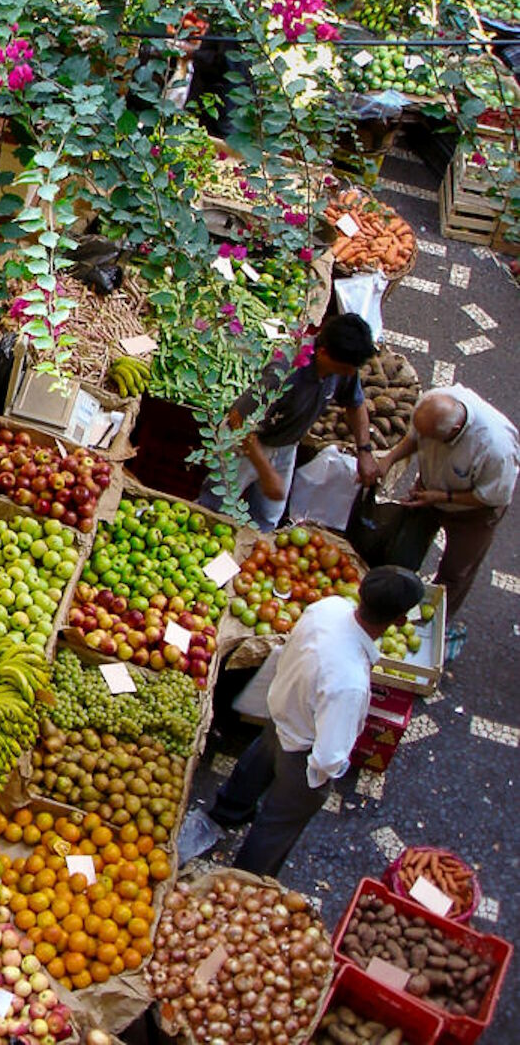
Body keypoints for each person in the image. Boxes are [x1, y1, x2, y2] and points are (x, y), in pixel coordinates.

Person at [207, 566, 423, 878]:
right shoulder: (349, 681)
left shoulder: (328, 607)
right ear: (399, 620)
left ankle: (224, 812)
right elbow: (329, 756)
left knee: (255, 766)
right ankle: (246, 879)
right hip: (302, 749)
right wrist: (322, 780)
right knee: (278, 822)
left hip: (279, 711)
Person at [200, 313, 380, 530]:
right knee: (213, 510)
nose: (350, 374)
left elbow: (355, 403)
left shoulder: (345, 368)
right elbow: (238, 419)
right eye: (346, 368)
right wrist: (265, 471)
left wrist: (364, 451)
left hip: (286, 444)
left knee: (268, 518)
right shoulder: (284, 372)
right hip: (244, 443)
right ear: (323, 353)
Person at [374, 386, 520, 645]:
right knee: (402, 551)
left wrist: (441, 497)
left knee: (455, 573)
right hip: (430, 491)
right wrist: (389, 459)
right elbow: (415, 438)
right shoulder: (432, 403)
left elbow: (492, 497)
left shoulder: (496, 449)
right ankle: (389, 606)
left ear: (453, 432)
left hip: (473, 510)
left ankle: (436, 629)